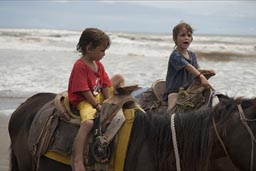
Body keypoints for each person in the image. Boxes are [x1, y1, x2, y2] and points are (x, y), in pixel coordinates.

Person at [68, 28, 124, 171]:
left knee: (119, 78)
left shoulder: (98, 65)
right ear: (89, 49)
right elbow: (84, 91)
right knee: (87, 123)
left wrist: (110, 100)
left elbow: (105, 84)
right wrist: (98, 106)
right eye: (101, 51)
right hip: (84, 99)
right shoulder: (79, 66)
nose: (104, 54)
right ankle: (78, 159)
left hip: (96, 94)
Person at [163, 22, 215, 112]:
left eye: (189, 35)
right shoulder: (175, 55)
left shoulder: (192, 54)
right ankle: (165, 124)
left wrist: (206, 71)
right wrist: (201, 76)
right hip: (175, 90)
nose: (186, 37)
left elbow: (196, 69)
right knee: (171, 112)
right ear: (175, 38)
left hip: (190, 89)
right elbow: (188, 67)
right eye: (182, 35)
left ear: (191, 39)